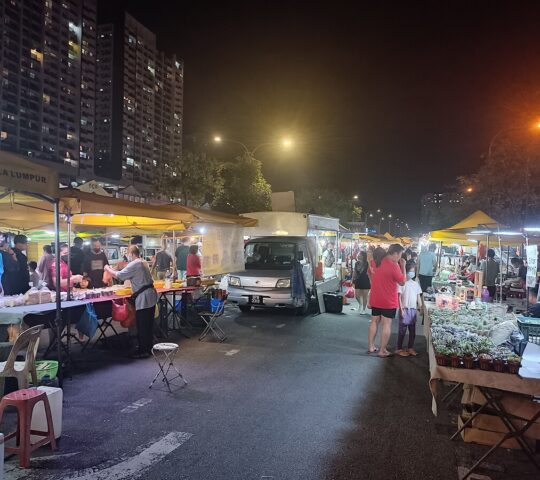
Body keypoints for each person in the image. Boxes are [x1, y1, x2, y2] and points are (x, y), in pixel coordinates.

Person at [105, 245, 158, 359]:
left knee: (142, 325)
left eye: (128, 253)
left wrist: (107, 269)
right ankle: (148, 347)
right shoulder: (143, 262)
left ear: (132, 253)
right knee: (148, 324)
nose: (127, 256)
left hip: (144, 297)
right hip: (150, 295)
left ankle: (144, 350)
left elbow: (120, 275)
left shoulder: (135, 263)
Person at [368, 244, 406, 358]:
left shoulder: (376, 262)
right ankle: (382, 350)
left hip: (375, 297)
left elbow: (369, 274)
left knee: (374, 321)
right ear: (395, 253)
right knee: (386, 323)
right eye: (400, 255)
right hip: (388, 300)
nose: (400, 258)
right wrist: (403, 266)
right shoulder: (394, 266)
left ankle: (371, 346)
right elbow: (402, 282)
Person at [396, 261, 423, 357]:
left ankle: (410, 348)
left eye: (414, 271)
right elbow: (398, 297)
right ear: (406, 271)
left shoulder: (415, 284)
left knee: (412, 331)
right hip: (404, 308)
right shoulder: (402, 283)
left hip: (413, 309)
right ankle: (399, 348)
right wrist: (401, 309)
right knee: (402, 330)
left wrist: (420, 307)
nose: (413, 273)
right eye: (411, 271)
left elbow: (418, 296)